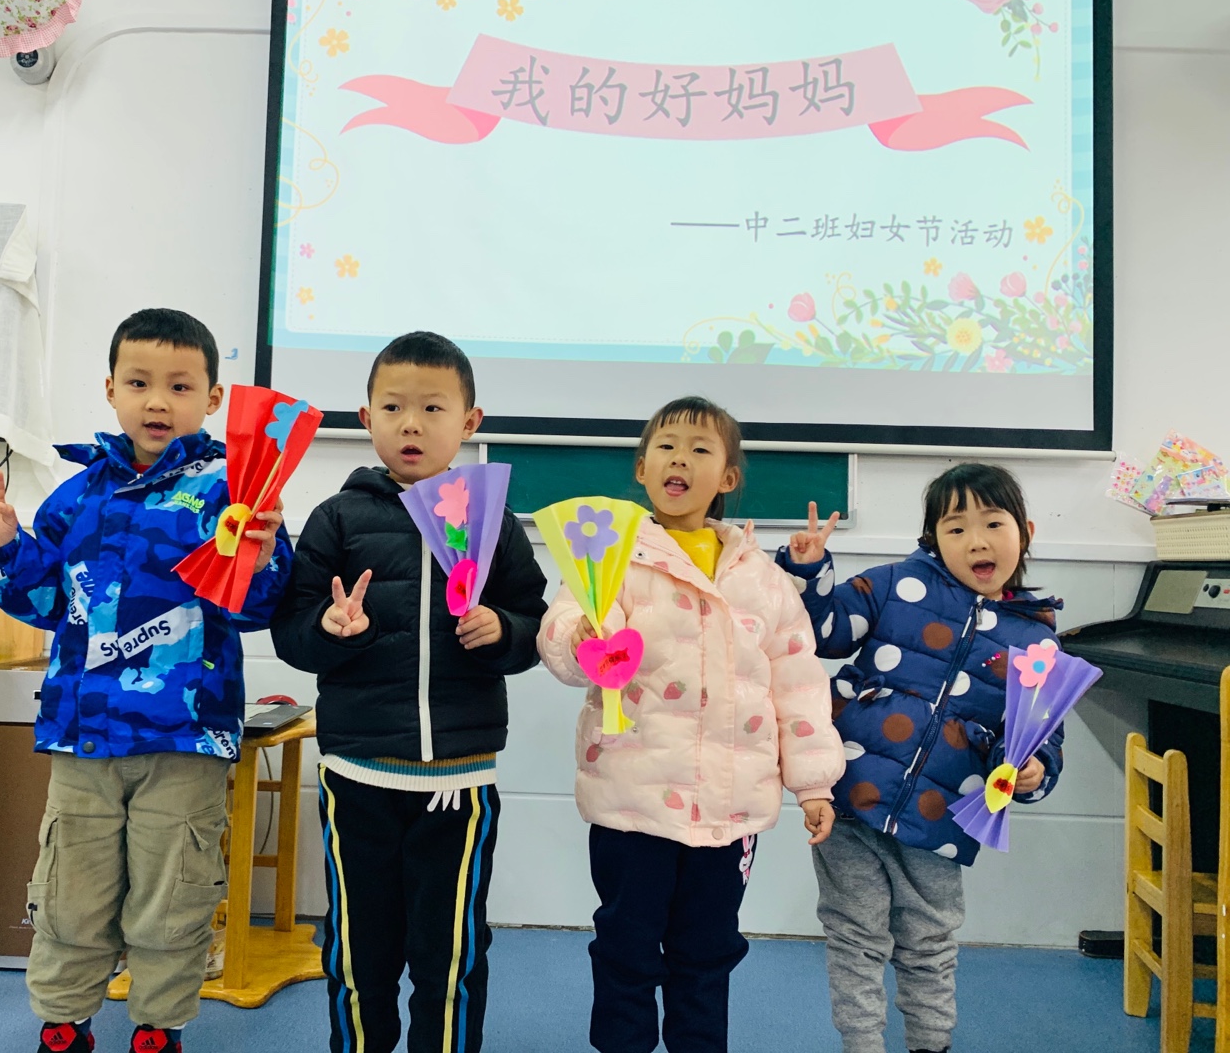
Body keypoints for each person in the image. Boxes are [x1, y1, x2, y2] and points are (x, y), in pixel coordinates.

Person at [0, 309, 292, 1053]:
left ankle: (158, 1029)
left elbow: (257, 609)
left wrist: (264, 553)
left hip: (185, 738)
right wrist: (1, 547)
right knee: (70, 893)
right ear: (110, 389)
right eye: (139, 383)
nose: (157, 401)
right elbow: (47, 602)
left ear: (213, 399)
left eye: (180, 386)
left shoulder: (236, 492)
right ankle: (63, 1022)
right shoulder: (76, 497)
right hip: (84, 737)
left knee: (173, 898)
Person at [537, 395, 845, 1053]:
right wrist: (580, 636)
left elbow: (798, 684)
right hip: (632, 802)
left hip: (730, 811)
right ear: (642, 468)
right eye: (667, 447)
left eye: (700, 449)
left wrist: (814, 783)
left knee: (707, 953)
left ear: (727, 477)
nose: (681, 458)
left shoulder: (763, 580)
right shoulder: (611, 557)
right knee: (625, 946)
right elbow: (563, 634)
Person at [270, 331, 548, 1053]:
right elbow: (292, 633)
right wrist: (333, 629)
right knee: (358, 951)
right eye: (393, 407)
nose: (412, 424)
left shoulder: (491, 521)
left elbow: (535, 625)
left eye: (433, 407)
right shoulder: (337, 517)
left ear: (470, 421)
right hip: (357, 774)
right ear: (366, 418)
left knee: (449, 955)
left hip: (458, 779)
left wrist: (505, 630)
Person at [777, 462, 1066, 1053]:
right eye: (955, 528)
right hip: (851, 797)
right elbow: (822, 632)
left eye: (993, 523)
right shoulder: (896, 584)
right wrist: (807, 570)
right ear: (933, 539)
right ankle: (862, 1045)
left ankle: (931, 1045)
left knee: (929, 946)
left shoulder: (1036, 640)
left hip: (941, 818)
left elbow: (1041, 737)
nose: (976, 541)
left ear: (1026, 533)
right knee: (855, 938)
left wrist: (1034, 769)